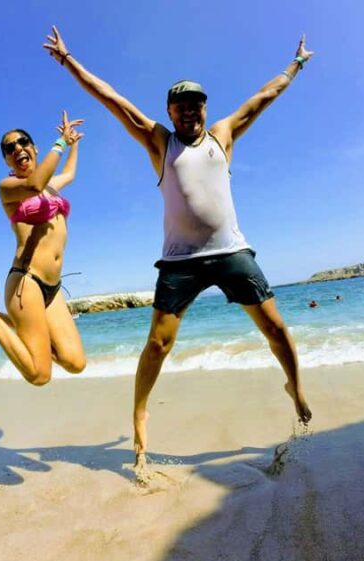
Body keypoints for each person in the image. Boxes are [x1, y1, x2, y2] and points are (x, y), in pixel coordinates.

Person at [44, 27, 313, 466]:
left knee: (276, 328)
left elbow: (266, 95)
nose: (189, 111)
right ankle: (139, 414)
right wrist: (68, 60)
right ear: (170, 111)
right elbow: (111, 99)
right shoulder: (160, 142)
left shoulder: (223, 135)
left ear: (204, 109)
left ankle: (296, 389)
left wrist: (296, 64)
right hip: (180, 260)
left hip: (231, 253)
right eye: (180, 105)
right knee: (158, 345)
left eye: (196, 104)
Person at [0, 111, 87, 385]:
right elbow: (35, 184)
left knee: (75, 363)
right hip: (27, 282)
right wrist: (59, 143)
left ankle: (15, 322)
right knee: (39, 375)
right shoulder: (9, 187)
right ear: (6, 160)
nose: (17, 148)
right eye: (9, 148)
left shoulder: (51, 185)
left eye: (22, 142)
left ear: (34, 148)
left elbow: (69, 173)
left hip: (53, 287)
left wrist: (73, 143)